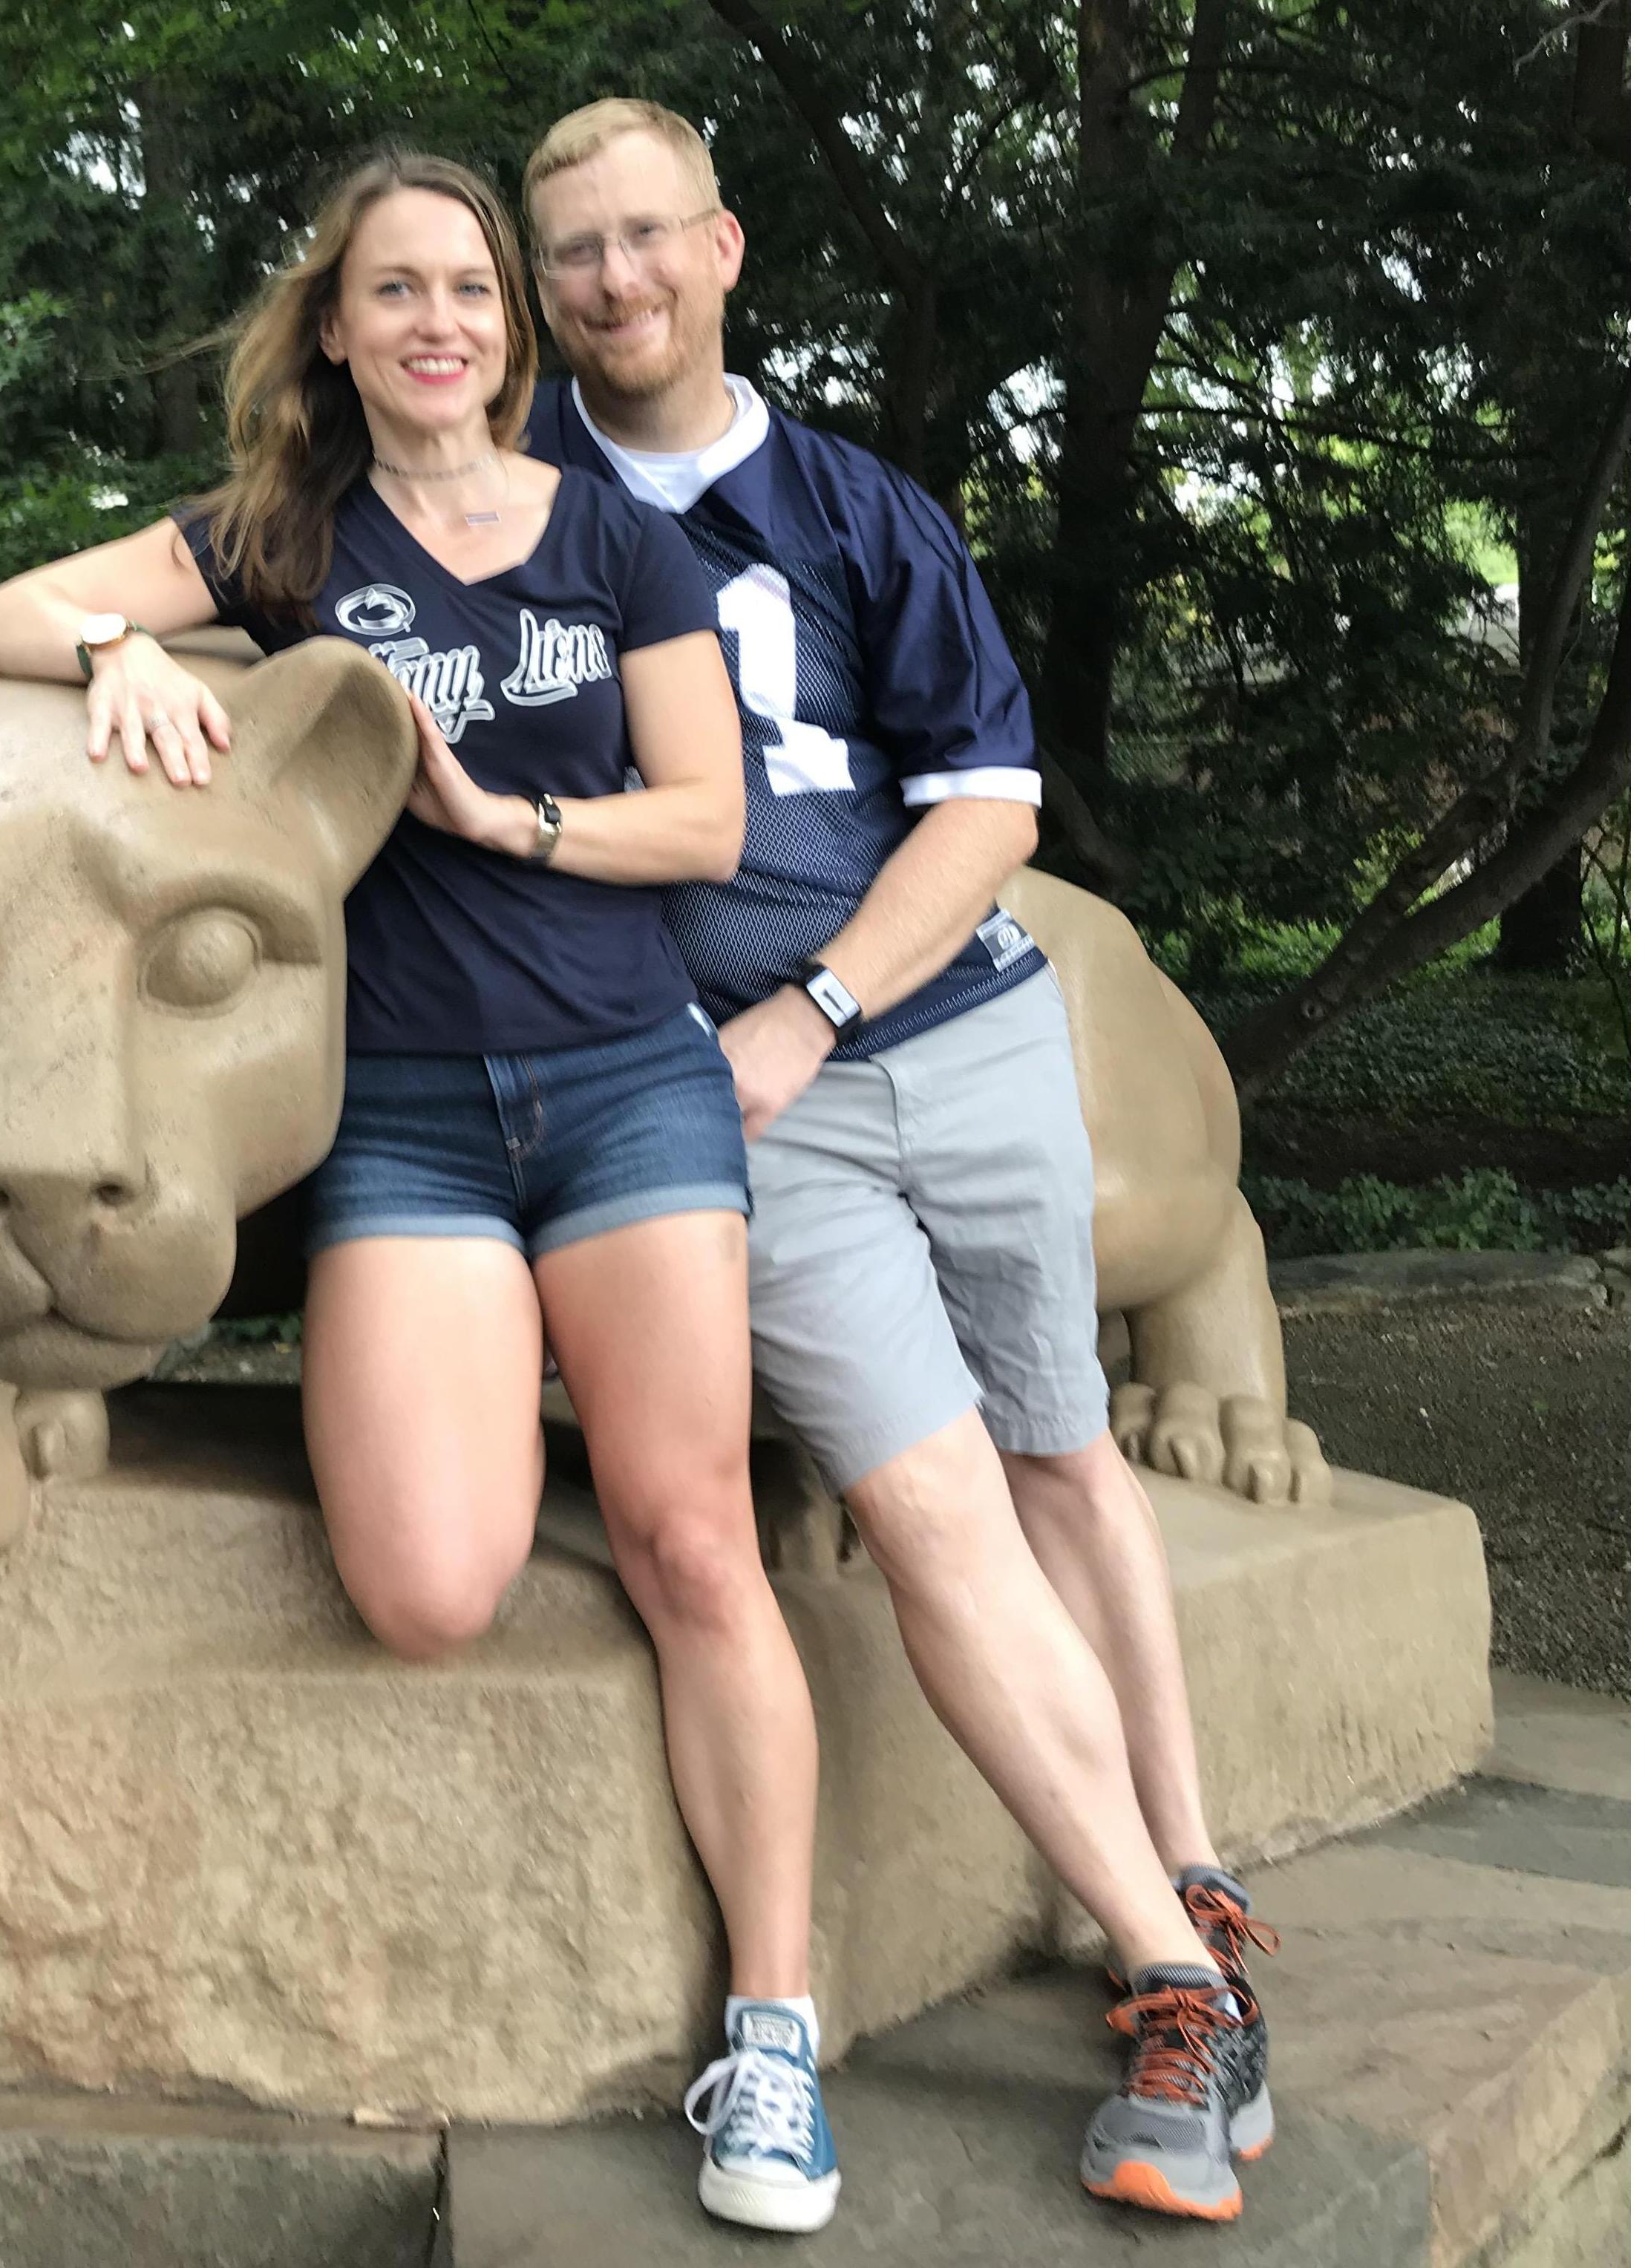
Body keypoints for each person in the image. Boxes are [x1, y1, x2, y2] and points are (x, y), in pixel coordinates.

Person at [0, 150, 842, 2235]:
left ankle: (772, 2036)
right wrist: (116, 660)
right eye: (393, 291)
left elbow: (706, 825)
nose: (437, 320)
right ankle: (521, 1363)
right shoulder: (280, 538)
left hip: (626, 1085)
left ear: (507, 331)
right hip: (411, 1117)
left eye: (470, 289)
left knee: (697, 1543)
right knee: (427, 1590)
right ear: (335, 332)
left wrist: (497, 819)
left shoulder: (619, 541)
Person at [518, 99, 1278, 2224]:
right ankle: (1165, 1981)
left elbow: (991, 806)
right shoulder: (508, 521)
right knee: (933, 1499)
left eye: (646, 236)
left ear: (726, 246)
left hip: (955, 1023)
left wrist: (816, 1005)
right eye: (571, 250)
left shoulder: (855, 507)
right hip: (746, 1116)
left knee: (1059, 1452)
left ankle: (1196, 1883)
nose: (613, 281)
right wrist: (94, 645)